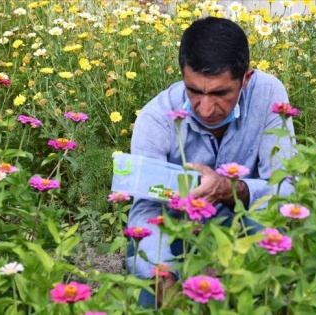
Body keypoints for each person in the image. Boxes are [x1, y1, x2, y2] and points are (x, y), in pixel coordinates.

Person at [126, 16, 296, 307]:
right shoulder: (156, 119)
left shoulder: (268, 94)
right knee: (149, 290)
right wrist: (166, 280)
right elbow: (145, 211)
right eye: (194, 91)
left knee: (276, 261)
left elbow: (288, 191)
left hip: (245, 226)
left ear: (246, 78)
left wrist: (234, 190)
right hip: (180, 233)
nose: (205, 109)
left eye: (220, 93)